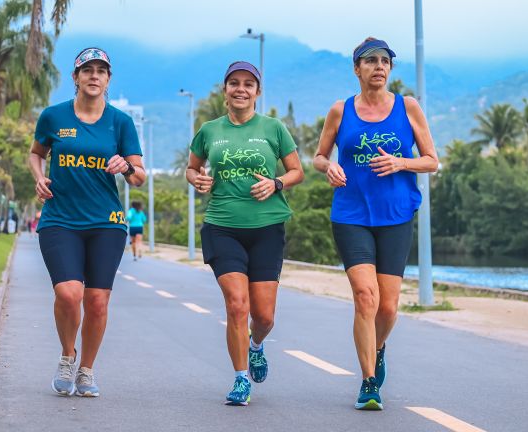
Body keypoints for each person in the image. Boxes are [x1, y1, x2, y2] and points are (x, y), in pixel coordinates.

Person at [313, 38, 438, 410]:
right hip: (351, 214)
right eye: (370, 61)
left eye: (385, 61)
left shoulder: (408, 107)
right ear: (357, 69)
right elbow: (319, 157)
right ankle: (369, 382)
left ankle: (378, 346)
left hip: (396, 214)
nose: (379, 67)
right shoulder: (340, 110)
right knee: (366, 297)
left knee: (388, 307)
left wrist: (402, 163)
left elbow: (431, 160)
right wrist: (330, 167)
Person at [28, 47, 145, 397]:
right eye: (87, 70)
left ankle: (86, 370)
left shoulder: (120, 122)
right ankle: (67, 355)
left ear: (108, 80)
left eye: (101, 71)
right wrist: (39, 176)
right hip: (60, 218)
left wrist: (125, 166)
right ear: (76, 77)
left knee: (96, 301)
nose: (94, 76)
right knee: (68, 293)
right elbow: (37, 153)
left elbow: (138, 175)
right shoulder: (53, 117)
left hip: (106, 222)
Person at [186, 61, 304, 406]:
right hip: (222, 226)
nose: (241, 89)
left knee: (264, 316)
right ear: (225, 90)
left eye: (248, 84)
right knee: (237, 305)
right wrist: (198, 179)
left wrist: (276, 182)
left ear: (257, 92)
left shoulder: (273, 128)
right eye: (234, 83)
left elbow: (297, 171)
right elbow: (192, 169)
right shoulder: (209, 130)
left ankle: (256, 345)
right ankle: (240, 379)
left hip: (267, 228)